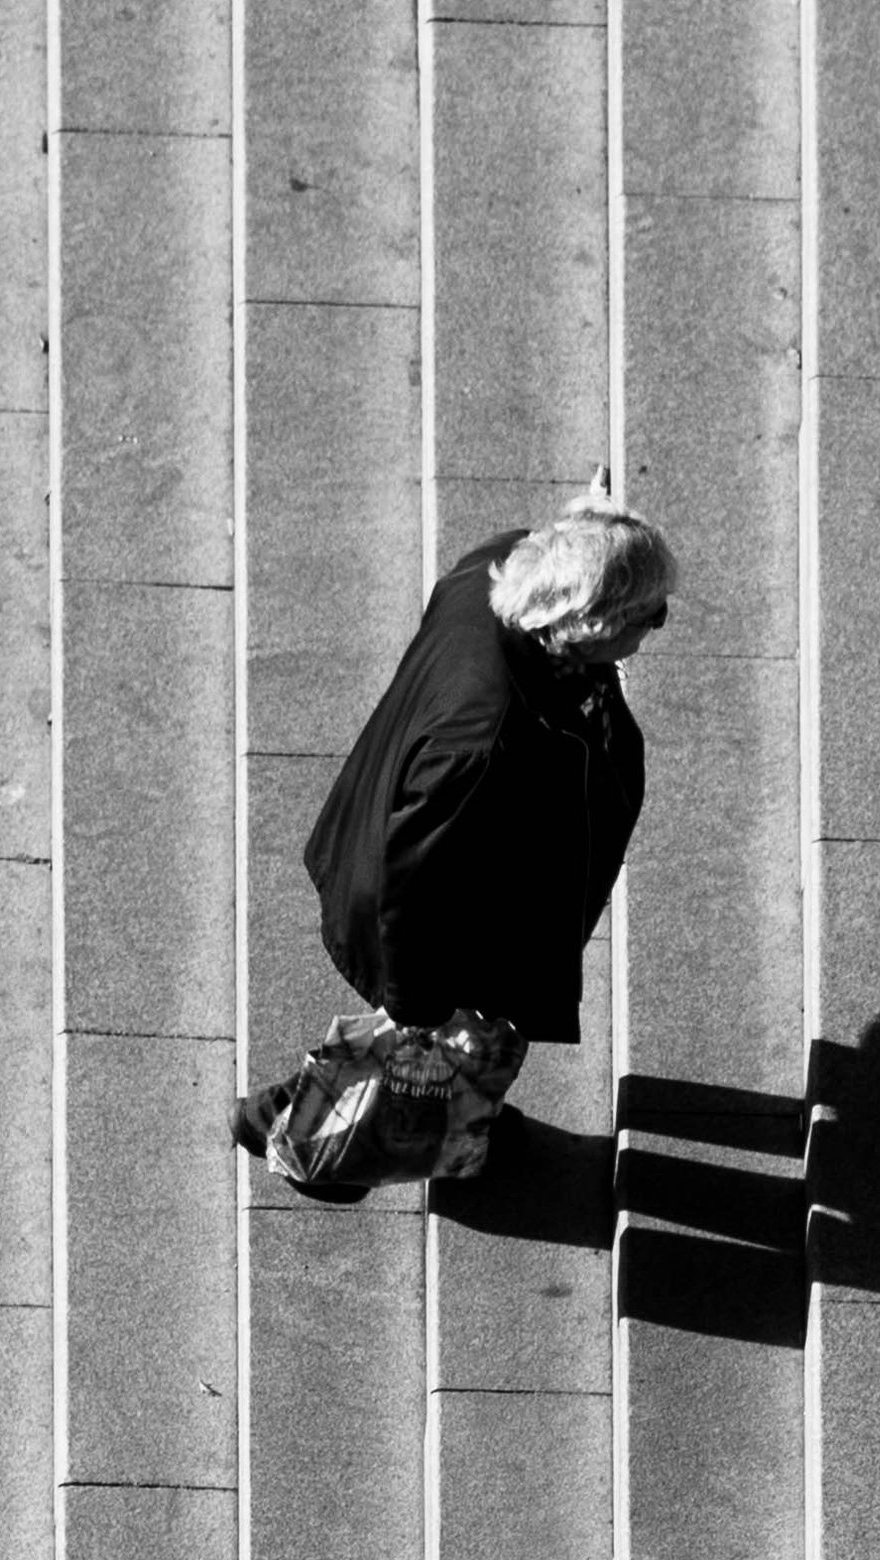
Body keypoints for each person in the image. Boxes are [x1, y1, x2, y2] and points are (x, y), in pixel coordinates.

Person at [233, 482, 675, 1183]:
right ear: (590, 623)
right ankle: (313, 1141)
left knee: (449, 1040)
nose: (660, 623)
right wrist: (416, 1011)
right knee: (434, 1047)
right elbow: (415, 883)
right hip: (469, 918)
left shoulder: (499, 568)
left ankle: (308, 1112)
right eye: (650, 615)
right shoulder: (483, 743)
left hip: (474, 870)